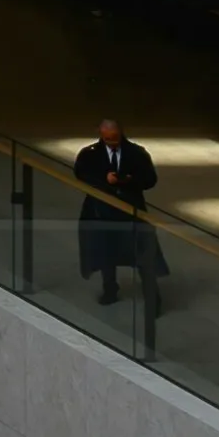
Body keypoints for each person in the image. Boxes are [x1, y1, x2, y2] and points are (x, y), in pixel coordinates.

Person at [71, 114, 162, 311]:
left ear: (121, 133)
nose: (112, 143)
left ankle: (152, 297)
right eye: (107, 139)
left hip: (131, 210)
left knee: (143, 253)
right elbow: (81, 174)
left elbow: (150, 179)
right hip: (102, 211)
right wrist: (104, 180)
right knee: (106, 252)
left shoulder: (137, 153)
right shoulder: (90, 154)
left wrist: (128, 180)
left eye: (115, 138)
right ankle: (109, 288)